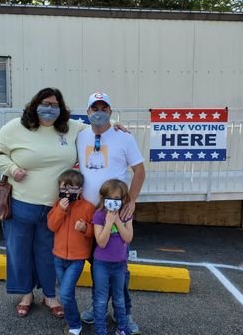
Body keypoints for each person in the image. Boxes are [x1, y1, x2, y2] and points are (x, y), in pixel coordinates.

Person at [0, 87, 88, 318]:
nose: (49, 108)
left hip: (57, 207)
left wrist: (117, 126)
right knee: (19, 251)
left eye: (55, 105)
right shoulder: (16, 127)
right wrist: (12, 168)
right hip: (20, 202)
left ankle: (49, 295)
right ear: (35, 105)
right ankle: (25, 294)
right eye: (45, 103)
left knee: (48, 253)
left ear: (61, 108)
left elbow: (97, 125)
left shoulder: (71, 128)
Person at [77, 92, 145, 334]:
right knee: (97, 263)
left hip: (115, 212)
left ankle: (123, 312)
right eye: (94, 108)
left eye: (104, 108)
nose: (99, 111)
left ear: (110, 110)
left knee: (119, 267)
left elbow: (139, 170)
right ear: (87, 112)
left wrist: (132, 201)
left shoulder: (123, 136)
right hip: (91, 215)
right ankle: (99, 308)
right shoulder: (80, 134)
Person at [47, 169, 95, 335]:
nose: (67, 192)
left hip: (77, 259)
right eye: (63, 189)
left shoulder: (88, 207)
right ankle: (73, 320)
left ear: (80, 190)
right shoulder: (57, 204)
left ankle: (74, 326)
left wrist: (85, 228)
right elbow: (52, 226)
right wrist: (60, 209)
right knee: (67, 293)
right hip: (58, 257)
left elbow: (95, 232)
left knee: (65, 294)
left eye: (71, 189)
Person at [93, 179, 134, 335]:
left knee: (120, 299)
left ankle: (122, 328)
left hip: (119, 264)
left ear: (123, 199)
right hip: (102, 264)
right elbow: (101, 242)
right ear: (104, 198)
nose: (114, 202)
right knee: (101, 299)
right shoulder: (99, 215)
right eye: (111, 198)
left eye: (118, 199)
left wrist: (117, 220)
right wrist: (109, 223)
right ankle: (100, 330)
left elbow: (128, 238)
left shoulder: (125, 215)